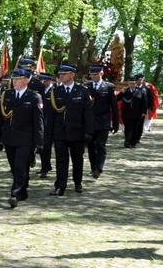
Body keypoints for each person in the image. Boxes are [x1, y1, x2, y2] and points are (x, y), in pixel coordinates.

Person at [0, 68, 44, 207]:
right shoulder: (7, 95)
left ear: (27, 80)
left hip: (26, 138)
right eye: (14, 79)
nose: (14, 81)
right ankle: (23, 190)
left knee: (20, 166)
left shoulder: (34, 97)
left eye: (18, 79)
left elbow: (38, 121)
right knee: (15, 167)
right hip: (9, 137)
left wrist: (39, 141)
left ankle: (14, 194)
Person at [45, 63, 93, 196]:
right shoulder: (55, 92)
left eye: (64, 73)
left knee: (77, 159)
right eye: (60, 73)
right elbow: (51, 114)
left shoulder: (82, 91)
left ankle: (78, 182)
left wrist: (89, 131)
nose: (61, 75)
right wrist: (48, 132)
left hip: (77, 132)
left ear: (72, 75)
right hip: (60, 131)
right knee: (61, 160)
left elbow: (88, 114)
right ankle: (60, 186)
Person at [86, 65, 119, 179]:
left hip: (103, 122)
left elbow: (113, 106)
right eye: (92, 74)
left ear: (101, 74)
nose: (94, 76)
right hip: (89, 122)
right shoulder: (87, 86)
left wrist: (115, 123)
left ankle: (98, 168)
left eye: (96, 74)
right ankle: (93, 167)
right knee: (90, 146)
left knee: (100, 145)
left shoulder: (108, 87)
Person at [37, 73, 55, 178]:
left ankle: (45, 168)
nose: (42, 83)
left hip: (50, 123)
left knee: (47, 147)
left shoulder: (54, 91)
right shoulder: (40, 92)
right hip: (41, 122)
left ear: (48, 81)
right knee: (42, 147)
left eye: (44, 81)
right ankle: (45, 166)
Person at [121, 76, 147, 148]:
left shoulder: (142, 90)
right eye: (130, 83)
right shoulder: (125, 91)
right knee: (128, 129)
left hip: (137, 113)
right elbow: (117, 98)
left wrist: (143, 112)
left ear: (136, 84)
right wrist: (121, 93)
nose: (132, 85)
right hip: (127, 114)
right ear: (128, 84)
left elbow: (144, 102)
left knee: (135, 129)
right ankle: (127, 142)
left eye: (133, 83)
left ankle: (133, 143)